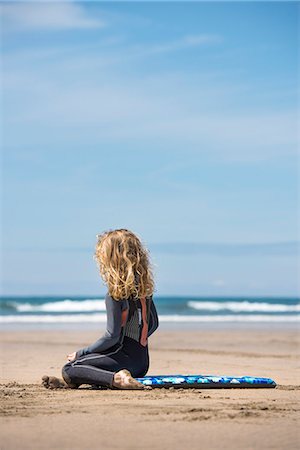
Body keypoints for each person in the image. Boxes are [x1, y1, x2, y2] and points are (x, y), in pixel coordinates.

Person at [42, 228, 159, 390]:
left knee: (71, 367)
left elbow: (111, 337)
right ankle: (77, 382)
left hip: (122, 358)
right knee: (91, 361)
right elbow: (153, 324)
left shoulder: (115, 294)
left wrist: (82, 352)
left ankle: (117, 379)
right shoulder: (145, 291)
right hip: (142, 364)